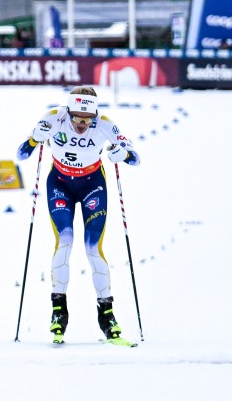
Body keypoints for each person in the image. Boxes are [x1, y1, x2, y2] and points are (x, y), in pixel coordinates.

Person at [17, 86, 140, 343]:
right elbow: (21, 153)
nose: (82, 125)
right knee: (64, 242)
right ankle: (58, 312)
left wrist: (124, 154)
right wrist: (34, 139)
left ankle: (107, 315)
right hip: (60, 185)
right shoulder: (54, 117)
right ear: (69, 111)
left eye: (87, 119)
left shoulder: (104, 124)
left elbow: (135, 158)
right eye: (77, 118)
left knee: (93, 249)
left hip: (92, 185)